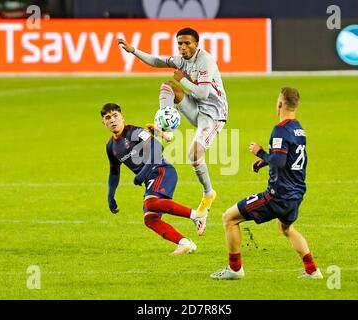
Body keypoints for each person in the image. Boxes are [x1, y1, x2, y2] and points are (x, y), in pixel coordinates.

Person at [118, 27, 228, 227]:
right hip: (195, 107)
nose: (183, 47)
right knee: (167, 86)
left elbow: (203, 93)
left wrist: (182, 78)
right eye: (180, 44)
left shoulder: (206, 61)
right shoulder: (181, 60)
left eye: (187, 43)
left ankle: (208, 193)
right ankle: (164, 128)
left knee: (194, 155)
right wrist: (133, 50)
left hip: (213, 115)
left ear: (196, 44)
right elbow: (157, 61)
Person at [210, 88, 323, 280]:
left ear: (280, 104)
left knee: (229, 218)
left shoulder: (280, 129)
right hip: (296, 194)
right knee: (286, 228)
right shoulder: (299, 129)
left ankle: (235, 269)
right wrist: (265, 162)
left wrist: (260, 152)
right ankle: (313, 270)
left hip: (277, 196)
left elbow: (278, 161)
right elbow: (288, 157)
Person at [101, 103, 208, 255]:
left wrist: (143, 173)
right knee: (150, 218)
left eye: (115, 116)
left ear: (122, 117)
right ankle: (185, 243)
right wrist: (110, 196)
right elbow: (114, 172)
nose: (112, 120)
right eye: (108, 118)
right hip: (150, 177)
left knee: (150, 203)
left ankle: (197, 214)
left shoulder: (135, 132)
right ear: (104, 123)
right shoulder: (110, 146)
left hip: (162, 170)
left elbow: (158, 149)